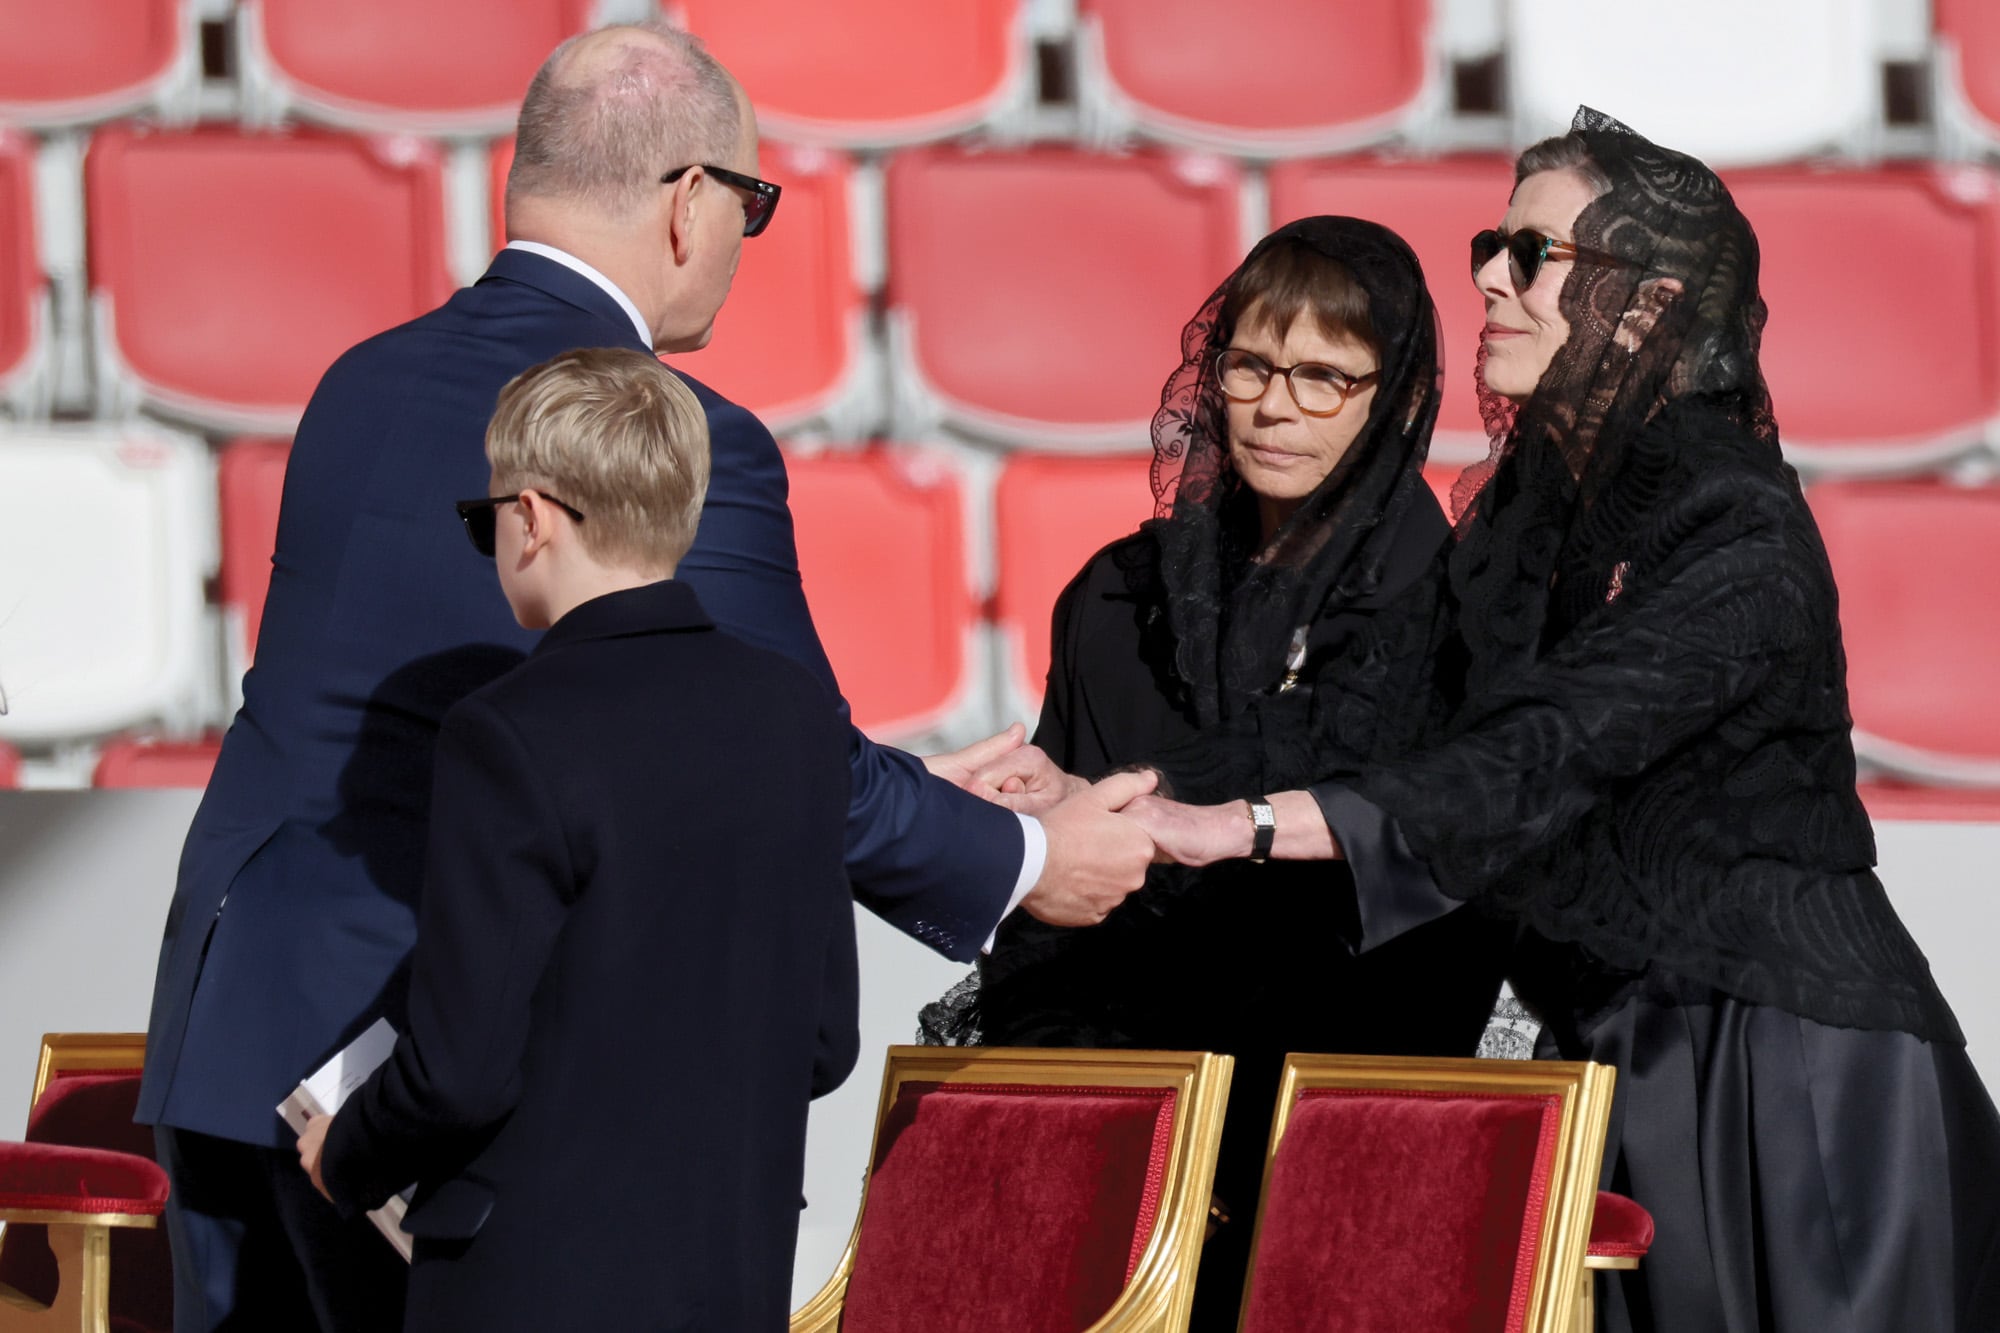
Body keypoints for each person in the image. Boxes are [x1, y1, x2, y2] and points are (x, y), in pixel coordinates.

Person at [137, 22, 1155, 1332]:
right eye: (756, 204)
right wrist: (1022, 856)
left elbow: (586, 728)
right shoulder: (684, 442)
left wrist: (881, 783)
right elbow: (765, 739)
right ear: (691, 202)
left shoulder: (358, 384)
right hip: (413, 1093)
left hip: (230, 1035)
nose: (745, 239)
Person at [1081, 111, 2000, 1331]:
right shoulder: (1532, 507)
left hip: (1785, 1075)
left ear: (1640, 303)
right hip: (1616, 1062)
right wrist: (1113, 794)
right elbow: (1387, 731)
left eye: (1530, 254)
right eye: (1489, 244)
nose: (1484, 281)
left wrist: (1235, 827)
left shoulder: (1735, 525)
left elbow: (1540, 749)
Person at [928, 217, 1510, 1333]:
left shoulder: (1462, 622)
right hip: (1129, 1119)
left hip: (1344, 1137)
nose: (1275, 405)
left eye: (1325, 377)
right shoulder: (1116, 600)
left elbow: (1453, 896)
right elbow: (1064, 891)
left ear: (1392, 397)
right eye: (1249, 363)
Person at [291, 347, 856, 1331]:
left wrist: (345, 1145)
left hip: (532, 1278)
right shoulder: (796, 713)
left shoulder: (505, 731)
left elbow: (460, 1072)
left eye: (486, 519)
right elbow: (822, 1040)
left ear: (532, 517)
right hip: (732, 1270)